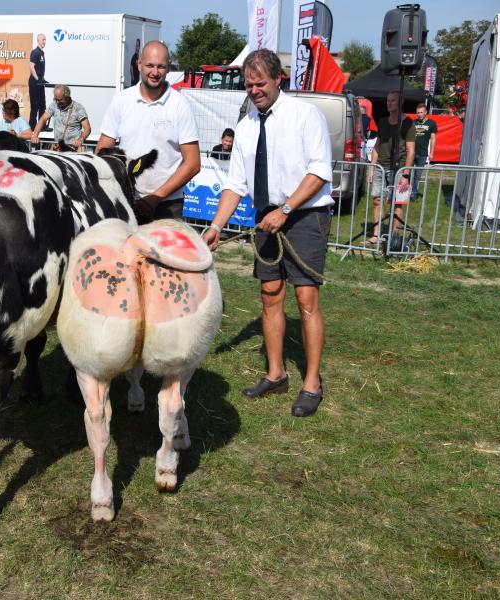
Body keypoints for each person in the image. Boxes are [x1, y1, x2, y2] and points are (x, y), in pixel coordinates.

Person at [200, 49, 333, 418]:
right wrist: (215, 226)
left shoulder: (305, 115)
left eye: (260, 84)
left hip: (305, 215)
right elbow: (235, 185)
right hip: (266, 217)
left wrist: (286, 209)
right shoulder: (244, 126)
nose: (254, 90)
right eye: (249, 84)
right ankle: (276, 374)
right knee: (270, 295)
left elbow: (320, 171)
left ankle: (311, 382)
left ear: (278, 80)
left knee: (306, 301)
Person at [95, 40, 200, 223]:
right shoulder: (122, 100)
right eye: (150, 65)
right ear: (139, 64)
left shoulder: (180, 105)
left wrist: (155, 197)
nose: (155, 72)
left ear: (168, 68)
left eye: (161, 66)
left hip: (168, 205)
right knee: (127, 252)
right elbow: (102, 151)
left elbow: (193, 163)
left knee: (165, 253)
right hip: (126, 200)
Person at [367, 90, 415, 244]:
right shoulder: (382, 121)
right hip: (381, 166)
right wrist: (372, 168)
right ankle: (376, 234)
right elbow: (377, 146)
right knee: (377, 200)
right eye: (388, 100)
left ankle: (394, 237)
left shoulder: (408, 123)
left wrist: (405, 175)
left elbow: (411, 150)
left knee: (397, 203)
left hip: (399, 169)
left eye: (392, 101)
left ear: (400, 102)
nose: (389, 103)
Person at [31, 84, 90, 151]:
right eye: (55, 99)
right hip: (58, 148)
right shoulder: (54, 105)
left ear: (67, 97)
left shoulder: (78, 108)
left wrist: (81, 139)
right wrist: (35, 135)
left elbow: (87, 128)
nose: (57, 102)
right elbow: (43, 119)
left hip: (74, 149)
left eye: (60, 100)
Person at [411, 103, 437, 199]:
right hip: (411, 152)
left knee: (417, 175)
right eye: (418, 112)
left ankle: (414, 194)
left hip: (422, 153)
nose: (419, 114)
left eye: (421, 112)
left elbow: (433, 138)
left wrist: (432, 153)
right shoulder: (413, 122)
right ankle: (404, 193)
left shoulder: (431, 123)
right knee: (407, 173)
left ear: (426, 112)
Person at [28, 33, 47, 129]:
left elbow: (40, 68)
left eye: (45, 40)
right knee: (35, 106)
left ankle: (42, 126)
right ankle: (32, 126)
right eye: (43, 40)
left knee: (42, 105)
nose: (44, 41)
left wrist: (42, 79)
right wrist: (37, 79)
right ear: (38, 40)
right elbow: (31, 67)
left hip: (40, 83)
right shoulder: (35, 52)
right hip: (35, 83)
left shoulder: (41, 53)